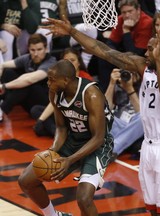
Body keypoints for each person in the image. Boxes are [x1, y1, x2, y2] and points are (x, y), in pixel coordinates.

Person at [43, 16, 160, 215]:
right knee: (155, 209)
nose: (145, 53)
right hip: (148, 147)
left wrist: (157, 62)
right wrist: (72, 31)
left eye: (151, 49)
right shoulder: (144, 66)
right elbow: (103, 51)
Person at [18, 59, 114, 216]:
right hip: (73, 140)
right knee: (26, 181)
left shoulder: (91, 95)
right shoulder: (55, 92)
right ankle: (53, 215)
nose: (48, 83)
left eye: (52, 80)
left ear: (66, 80)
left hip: (97, 146)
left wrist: (70, 160)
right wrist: (51, 151)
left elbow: (98, 137)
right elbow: (61, 128)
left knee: (84, 199)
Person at [31, 47, 93, 137]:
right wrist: (40, 120)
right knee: (36, 110)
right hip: (63, 112)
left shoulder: (86, 78)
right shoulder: (60, 78)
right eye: (66, 61)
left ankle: (59, 133)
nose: (69, 64)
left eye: (72, 60)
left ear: (79, 62)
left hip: (79, 115)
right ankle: (57, 131)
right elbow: (54, 102)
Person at [97, 0, 153, 92]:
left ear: (138, 10)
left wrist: (126, 30)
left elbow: (135, 53)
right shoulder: (120, 19)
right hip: (124, 54)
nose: (127, 15)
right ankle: (104, 91)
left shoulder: (146, 22)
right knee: (103, 57)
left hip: (142, 57)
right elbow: (110, 43)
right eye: (124, 12)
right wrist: (115, 56)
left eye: (130, 11)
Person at [0, 33, 57, 122]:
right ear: (29, 49)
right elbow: (3, 65)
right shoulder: (28, 58)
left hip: (45, 104)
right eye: (32, 50)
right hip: (29, 102)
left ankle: (2, 109)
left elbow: (30, 80)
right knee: (8, 72)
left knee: (26, 84)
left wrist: (4, 86)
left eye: (39, 49)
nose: (36, 53)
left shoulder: (51, 62)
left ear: (46, 49)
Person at [105, 68, 143, 158]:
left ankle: (113, 148)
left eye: (133, 73)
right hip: (117, 125)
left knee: (144, 118)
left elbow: (141, 114)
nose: (129, 76)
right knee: (102, 112)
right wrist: (111, 83)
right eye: (126, 73)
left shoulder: (145, 88)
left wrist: (130, 89)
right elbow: (106, 107)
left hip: (134, 130)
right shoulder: (117, 87)